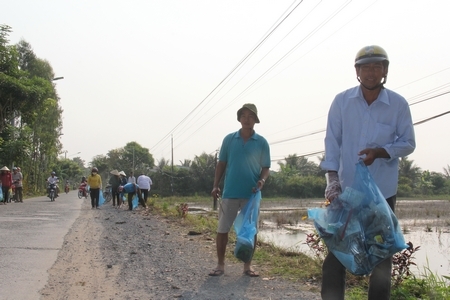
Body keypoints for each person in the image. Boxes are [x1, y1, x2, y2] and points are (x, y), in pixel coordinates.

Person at [320, 45, 416, 300]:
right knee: (336, 256)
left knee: (382, 257)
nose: (371, 72)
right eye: (365, 67)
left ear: (385, 71)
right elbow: (332, 143)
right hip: (347, 192)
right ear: (357, 71)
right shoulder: (342, 101)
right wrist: (332, 181)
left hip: (382, 194)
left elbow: (408, 142)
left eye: (377, 66)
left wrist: (381, 151)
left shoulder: (397, 104)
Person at [209, 103, 271, 277]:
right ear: (239, 118)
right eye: (244, 115)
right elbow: (221, 163)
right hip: (230, 192)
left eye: (250, 116)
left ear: (255, 120)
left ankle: (247, 266)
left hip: (251, 194)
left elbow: (266, 167)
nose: (247, 119)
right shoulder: (229, 139)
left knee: (250, 231)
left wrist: (261, 181)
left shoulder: (262, 142)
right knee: (222, 230)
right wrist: (215, 185)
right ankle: (220, 265)